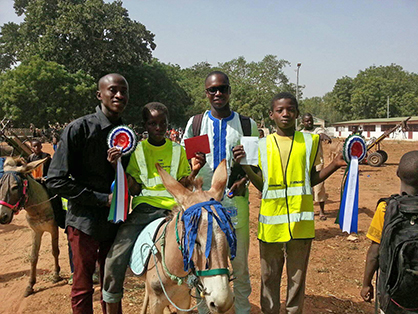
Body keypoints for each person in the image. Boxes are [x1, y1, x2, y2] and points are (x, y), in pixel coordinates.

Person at [233, 92, 345, 314]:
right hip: (271, 226)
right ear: (271, 114)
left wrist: (334, 165)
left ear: (297, 113)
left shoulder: (311, 142)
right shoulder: (261, 145)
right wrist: (245, 166)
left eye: (290, 109)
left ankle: (294, 311)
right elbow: (261, 185)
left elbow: (311, 179)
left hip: (301, 224)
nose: (286, 114)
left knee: (297, 278)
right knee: (269, 276)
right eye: (280, 110)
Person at [103, 102, 205, 314]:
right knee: (115, 257)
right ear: (145, 125)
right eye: (152, 123)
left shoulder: (178, 150)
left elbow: (184, 184)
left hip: (174, 211)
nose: (158, 127)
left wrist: (194, 172)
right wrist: (117, 166)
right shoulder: (138, 150)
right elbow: (134, 187)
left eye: (162, 123)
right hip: (144, 211)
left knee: (203, 247)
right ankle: (112, 298)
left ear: (168, 124)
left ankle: (203, 291)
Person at [46, 73, 130, 314]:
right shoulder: (78, 129)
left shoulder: (126, 133)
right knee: (83, 286)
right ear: (99, 94)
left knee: (111, 285)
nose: (119, 95)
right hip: (83, 223)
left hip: (115, 223)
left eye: (123, 91)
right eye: (113, 90)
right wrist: (102, 199)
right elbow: (55, 180)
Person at [182, 71, 258, 314]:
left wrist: (244, 177)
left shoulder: (247, 124)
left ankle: (243, 310)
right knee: (202, 264)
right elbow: (185, 174)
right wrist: (194, 166)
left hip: (234, 204)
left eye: (222, 89)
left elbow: (256, 166)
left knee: (239, 265)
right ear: (206, 93)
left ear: (229, 91)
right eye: (212, 90)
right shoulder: (194, 124)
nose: (218, 94)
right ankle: (205, 309)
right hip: (201, 209)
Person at [360, 150, 418, 313]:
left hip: (392, 293)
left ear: (397, 173)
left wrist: (366, 283)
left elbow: (374, 252)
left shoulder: (386, 208)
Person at [301, 113, 332, 220]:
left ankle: (322, 212)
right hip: (304, 164)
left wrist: (325, 137)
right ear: (302, 122)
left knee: (319, 187)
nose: (309, 122)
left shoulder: (317, 131)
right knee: (305, 188)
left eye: (311, 121)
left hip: (318, 162)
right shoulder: (300, 134)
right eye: (307, 121)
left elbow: (321, 135)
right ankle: (307, 211)